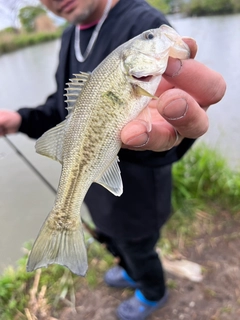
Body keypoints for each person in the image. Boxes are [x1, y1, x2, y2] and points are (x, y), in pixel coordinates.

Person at [0, 0, 226, 319]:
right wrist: (20, 119)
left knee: (139, 247)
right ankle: (129, 270)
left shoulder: (141, 21)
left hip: (139, 197)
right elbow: (63, 108)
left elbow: (167, 119)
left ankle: (152, 293)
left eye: (150, 40)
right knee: (114, 239)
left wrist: (172, 139)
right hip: (93, 188)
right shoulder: (69, 36)